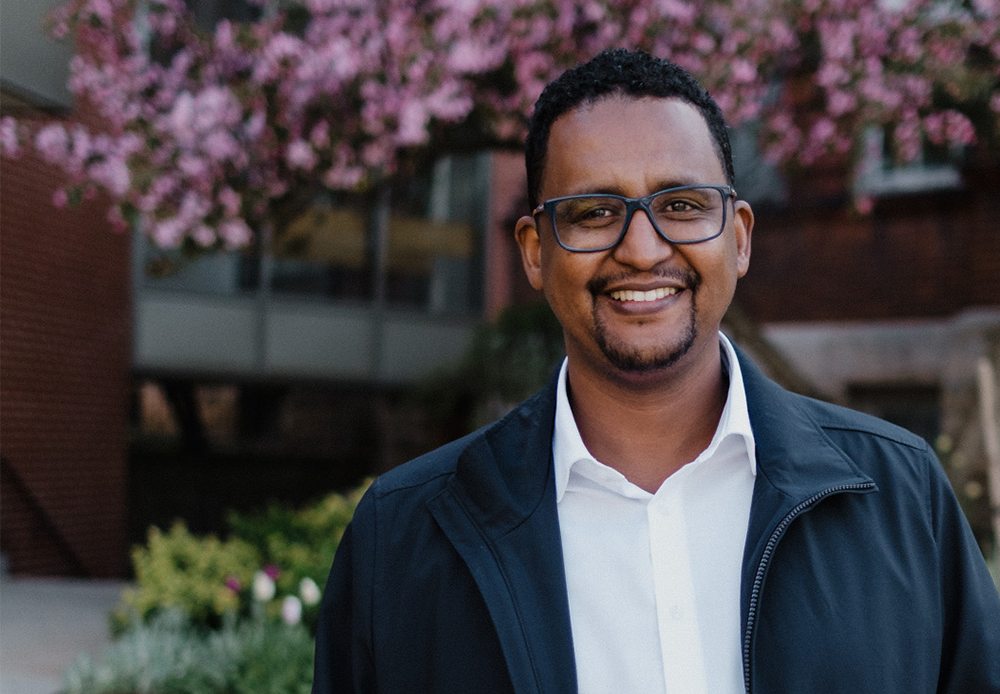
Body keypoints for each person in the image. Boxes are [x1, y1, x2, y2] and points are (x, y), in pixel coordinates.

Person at [312, 48, 1000, 694]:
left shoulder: (902, 498)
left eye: (681, 206)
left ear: (738, 238)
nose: (642, 250)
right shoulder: (400, 541)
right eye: (592, 213)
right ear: (533, 251)